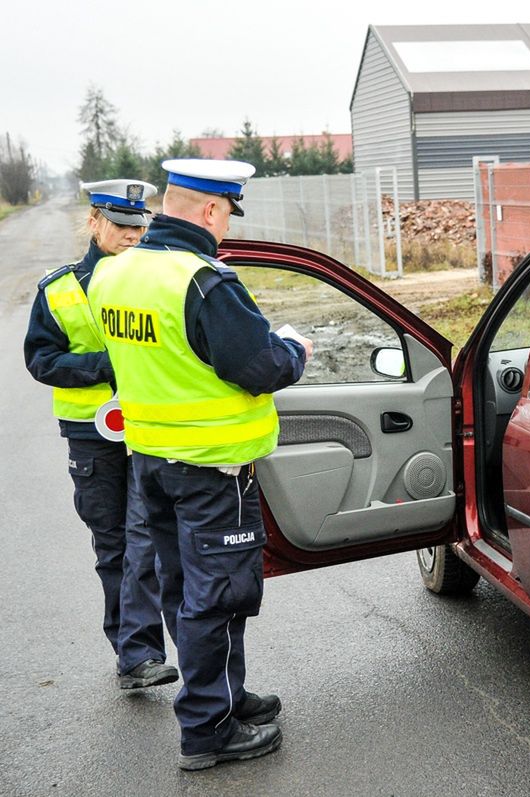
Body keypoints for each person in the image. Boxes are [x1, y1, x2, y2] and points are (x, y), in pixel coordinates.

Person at [87, 159, 314, 770]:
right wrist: (297, 349)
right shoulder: (203, 282)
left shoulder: (115, 273)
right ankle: (207, 729)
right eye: (227, 214)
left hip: (152, 461)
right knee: (218, 597)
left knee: (187, 590)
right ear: (213, 210)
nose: (225, 228)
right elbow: (262, 367)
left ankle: (226, 697)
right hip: (212, 469)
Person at [24, 179, 179, 690]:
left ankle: (139, 655)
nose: (133, 235)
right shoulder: (60, 288)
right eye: (121, 225)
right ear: (95, 223)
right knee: (113, 544)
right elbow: (41, 359)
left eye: (140, 226)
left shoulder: (158, 279)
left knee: (145, 540)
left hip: (148, 426)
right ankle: (130, 650)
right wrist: (102, 366)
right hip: (92, 437)